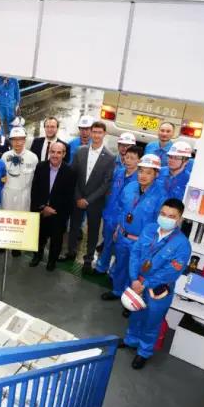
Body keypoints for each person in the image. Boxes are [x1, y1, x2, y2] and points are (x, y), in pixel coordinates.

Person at [119, 198, 191, 370]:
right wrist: (134, 278)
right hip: (137, 282)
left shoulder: (182, 244)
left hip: (158, 289)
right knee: (135, 314)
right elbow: (135, 253)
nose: (166, 218)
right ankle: (131, 340)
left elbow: (171, 272)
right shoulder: (149, 229)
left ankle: (144, 352)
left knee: (152, 321)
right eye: (163, 214)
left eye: (171, 216)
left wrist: (146, 283)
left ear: (179, 219)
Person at [102, 155, 168, 305]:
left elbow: (159, 224)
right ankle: (117, 291)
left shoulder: (161, 196)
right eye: (141, 171)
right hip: (123, 236)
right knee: (120, 265)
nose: (143, 175)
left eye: (148, 172)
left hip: (141, 242)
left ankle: (131, 299)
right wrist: (118, 228)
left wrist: (150, 244)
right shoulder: (130, 187)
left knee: (136, 272)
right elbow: (121, 209)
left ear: (156, 174)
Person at [62, 121, 115, 273]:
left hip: (95, 201)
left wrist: (88, 200)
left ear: (104, 134)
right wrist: (78, 196)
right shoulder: (80, 151)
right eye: (94, 132)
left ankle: (88, 259)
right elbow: (73, 175)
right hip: (77, 197)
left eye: (100, 132)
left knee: (93, 231)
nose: (96, 135)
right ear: (90, 133)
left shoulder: (110, 157)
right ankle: (71, 251)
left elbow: (106, 184)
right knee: (74, 226)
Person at [95, 145, 143, 275]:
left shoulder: (140, 179)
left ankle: (114, 273)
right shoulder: (119, 172)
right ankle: (101, 267)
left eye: (132, 158)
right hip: (110, 215)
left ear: (139, 160)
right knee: (107, 242)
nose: (128, 160)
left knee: (120, 249)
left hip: (125, 220)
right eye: (127, 157)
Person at [29, 142, 76, 271]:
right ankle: (37, 256)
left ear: (64, 154)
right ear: (49, 152)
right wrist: (42, 207)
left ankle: (51, 261)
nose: (55, 155)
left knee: (56, 240)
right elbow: (35, 190)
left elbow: (68, 197)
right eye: (53, 152)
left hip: (58, 213)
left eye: (59, 152)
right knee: (39, 236)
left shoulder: (70, 172)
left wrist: (53, 210)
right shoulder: (41, 167)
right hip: (41, 211)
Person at [1, 127, 39, 257]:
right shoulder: (5, 156)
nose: (17, 142)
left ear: (25, 140)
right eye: (14, 140)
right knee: (6, 219)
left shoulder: (33, 157)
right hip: (8, 194)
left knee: (21, 221)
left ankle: (17, 246)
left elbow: (36, 179)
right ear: (10, 141)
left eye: (20, 139)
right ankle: (4, 243)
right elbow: (1, 175)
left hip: (24, 195)